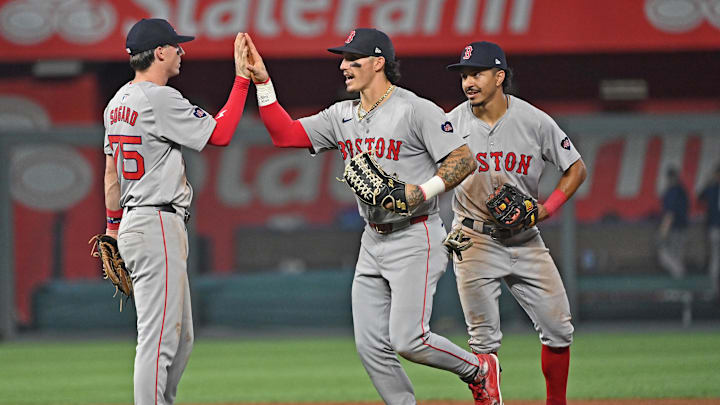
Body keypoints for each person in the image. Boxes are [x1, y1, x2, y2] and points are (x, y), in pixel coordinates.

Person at [241, 29, 502, 405]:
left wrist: (422, 190)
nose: (344, 66)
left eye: (353, 59)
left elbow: (463, 159)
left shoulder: (415, 109)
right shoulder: (341, 115)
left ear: (379, 63)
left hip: (416, 235)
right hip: (372, 238)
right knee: (370, 346)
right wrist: (263, 83)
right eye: (343, 59)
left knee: (409, 340)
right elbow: (285, 135)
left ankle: (479, 369)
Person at [102, 19, 251, 404]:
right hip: (155, 223)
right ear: (162, 51)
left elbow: (110, 174)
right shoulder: (158, 97)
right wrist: (241, 81)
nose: (182, 52)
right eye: (177, 46)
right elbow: (220, 134)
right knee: (159, 338)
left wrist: (114, 228)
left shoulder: (117, 103)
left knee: (181, 337)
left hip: (138, 221)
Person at [445, 41, 587, 405]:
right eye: (464, 75)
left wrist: (547, 209)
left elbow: (576, 168)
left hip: (525, 238)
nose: (468, 82)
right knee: (483, 342)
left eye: (476, 73)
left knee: (558, 329)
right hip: (473, 239)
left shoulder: (534, 120)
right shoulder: (451, 124)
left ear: (499, 76)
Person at [657, 167, 690, 279]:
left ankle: (679, 275)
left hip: (673, 228)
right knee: (677, 255)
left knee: (664, 254)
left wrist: (663, 230)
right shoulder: (682, 190)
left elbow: (670, 213)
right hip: (682, 227)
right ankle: (679, 280)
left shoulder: (672, 191)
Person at [699, 165, 720, 296]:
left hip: (714, 228)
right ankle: (714, 288)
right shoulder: (712, 189)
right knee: (715, 258)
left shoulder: (712, 188)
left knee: (715, 258)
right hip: (714, 228)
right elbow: (700, 197)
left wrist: (708, 181)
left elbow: (700, 197)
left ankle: (714, 289)